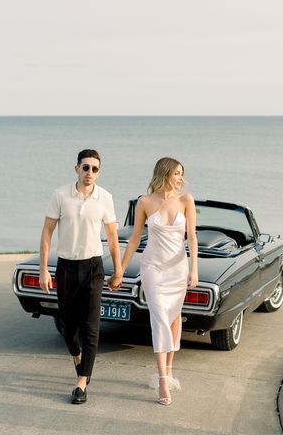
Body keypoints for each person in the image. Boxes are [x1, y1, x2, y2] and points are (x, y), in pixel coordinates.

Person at [110, 157, 198, 406]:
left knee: (173, 319)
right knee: (159, 318)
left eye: (182, 173)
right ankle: (161, 379)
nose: (181, 178)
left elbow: (191, 237)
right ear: (165, 173)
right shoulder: (145, 202)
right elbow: (136, 239)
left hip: (178, 269)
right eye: (177, 173)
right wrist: (120, 270)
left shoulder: (186, 200)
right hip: (153, 269)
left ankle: (169, 369)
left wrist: (194, 270)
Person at [39, 149, 122, 404]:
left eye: (95, 169)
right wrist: (44, 269)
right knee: (67, 326)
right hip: (66, 267)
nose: (89, 173)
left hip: (93, 268)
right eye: (85, 167)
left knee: (91, 326)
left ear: (99, 172)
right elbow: (47, 233)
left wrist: (118, 270)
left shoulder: (104, 197)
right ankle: (76, 355)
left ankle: (82, 382)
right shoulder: (61, 195)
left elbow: (112, 237)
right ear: (77, 168)